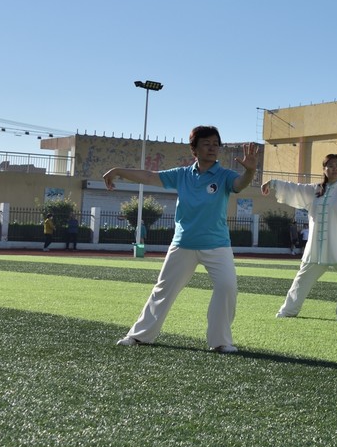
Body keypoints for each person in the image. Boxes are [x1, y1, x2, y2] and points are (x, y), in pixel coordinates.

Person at [106, 125, 260, 353]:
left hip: (217, 245)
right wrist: (118, 170)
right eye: (206, 144)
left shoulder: (224, 175)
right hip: (183, 243)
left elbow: (239, 184)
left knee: (227, 287)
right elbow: (149, 176)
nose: (212, 148)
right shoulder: (181, 175)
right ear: (194, 149)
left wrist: (249, 171)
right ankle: (140, 336)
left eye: (215, 144)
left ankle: (220, 342)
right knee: (163, 290)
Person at [264, 154, 337, 322]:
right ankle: (288, 310)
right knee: (301, 279)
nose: (334, 168)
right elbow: (295, 188)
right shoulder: (315, 190)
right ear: (324, 169)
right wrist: (273, 183)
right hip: (315, 249)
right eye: (330, 165)